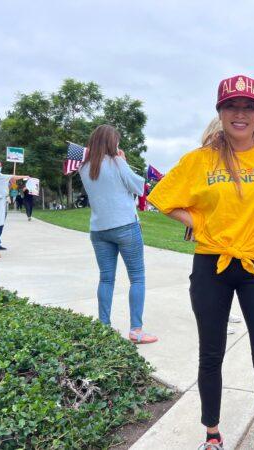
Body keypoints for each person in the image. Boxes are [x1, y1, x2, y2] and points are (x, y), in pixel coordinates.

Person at [147, 75, 254, 450]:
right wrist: (195, 221)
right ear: (221, 112)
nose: (240, 113)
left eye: (248, 106)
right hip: (211, 265)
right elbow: (161, 196)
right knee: (210, 353)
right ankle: (212, 435)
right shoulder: (200, 160)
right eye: (232, 106)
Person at [79, 124, 157, 346]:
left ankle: (103, 326)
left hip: (99, 229)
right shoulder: (116, 162)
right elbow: (139, 187)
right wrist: (122, 160)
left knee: (106, 278)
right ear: (111, 143)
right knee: (137, 277)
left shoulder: (84, 168)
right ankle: (136, 330)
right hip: (125, 226)